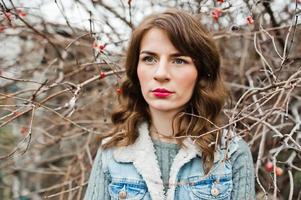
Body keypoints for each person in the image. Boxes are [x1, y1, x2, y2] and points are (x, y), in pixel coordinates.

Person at [84, 9, 255, 200]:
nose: (161, 73)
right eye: (149, 59)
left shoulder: (231, 153)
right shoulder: (113, 154)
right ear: (136, 70)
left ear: (202, 73)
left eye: (179, 60)